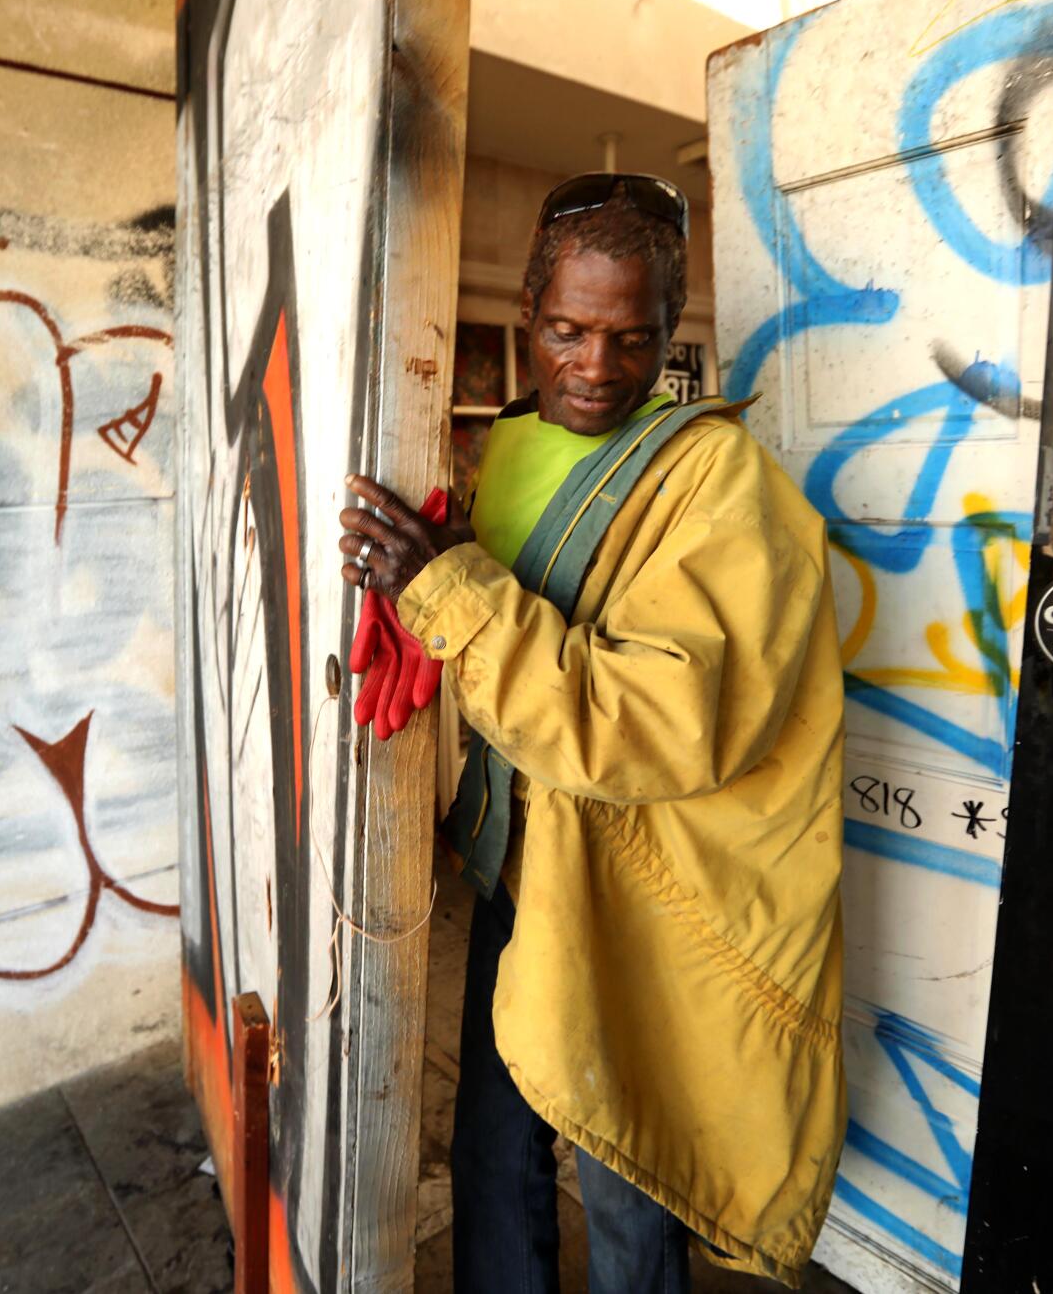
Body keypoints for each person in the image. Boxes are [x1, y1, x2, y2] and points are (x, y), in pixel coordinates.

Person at [339, 174, 846, 1292]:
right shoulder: (504, 447)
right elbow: (503, 616)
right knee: (492, 1148)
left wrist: (450, 589)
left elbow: (647, 722)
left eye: (632, 337)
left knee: (622, 1175)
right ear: (525, 311)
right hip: (518, 864)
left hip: (632, 894)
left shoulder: (718, 483)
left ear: (670, 335)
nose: (595, 367)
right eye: (566, 329)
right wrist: (426, 575)